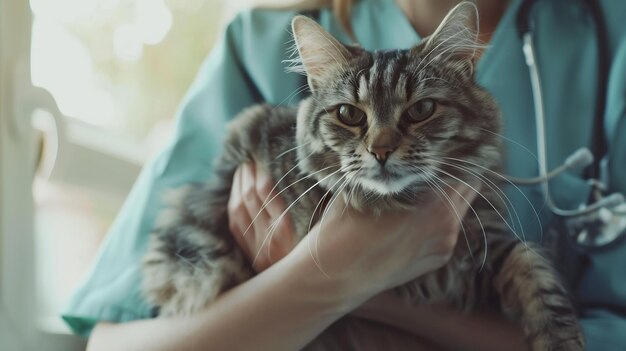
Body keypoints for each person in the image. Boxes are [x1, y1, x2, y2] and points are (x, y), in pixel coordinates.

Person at [62, 0, 626, 350]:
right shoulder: (259, 46)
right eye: (353, 118)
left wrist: (352, 291)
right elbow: (119, 344)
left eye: (418, 113)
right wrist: (329, 276)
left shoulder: (608, 36)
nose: (381, 144)